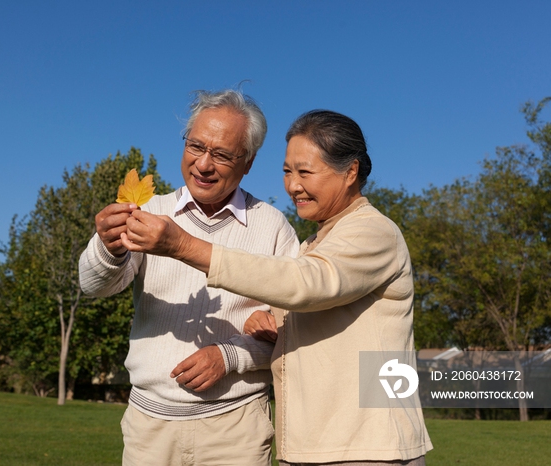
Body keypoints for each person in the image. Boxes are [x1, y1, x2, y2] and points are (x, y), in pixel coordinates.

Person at [121, 110, 434, 465]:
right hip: (314, 445)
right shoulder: (316, 243)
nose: (293, 185)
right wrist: (272, 324)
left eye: (305, 172)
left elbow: (306, 282)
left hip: (368, 448)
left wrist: (184, 246)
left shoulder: (374, 232)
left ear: (350, 173)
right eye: (287, 171)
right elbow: (305, 299)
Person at [79, 89, 299, 465]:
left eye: (222, 154)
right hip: (149, 427)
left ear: (247, 162)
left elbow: (294, 330)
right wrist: (109, 247)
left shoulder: (273, 227)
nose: (203, 164)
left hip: (236, 428)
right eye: (196, 146)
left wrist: (230, 356)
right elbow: (94, 285)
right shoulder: (151, 211)